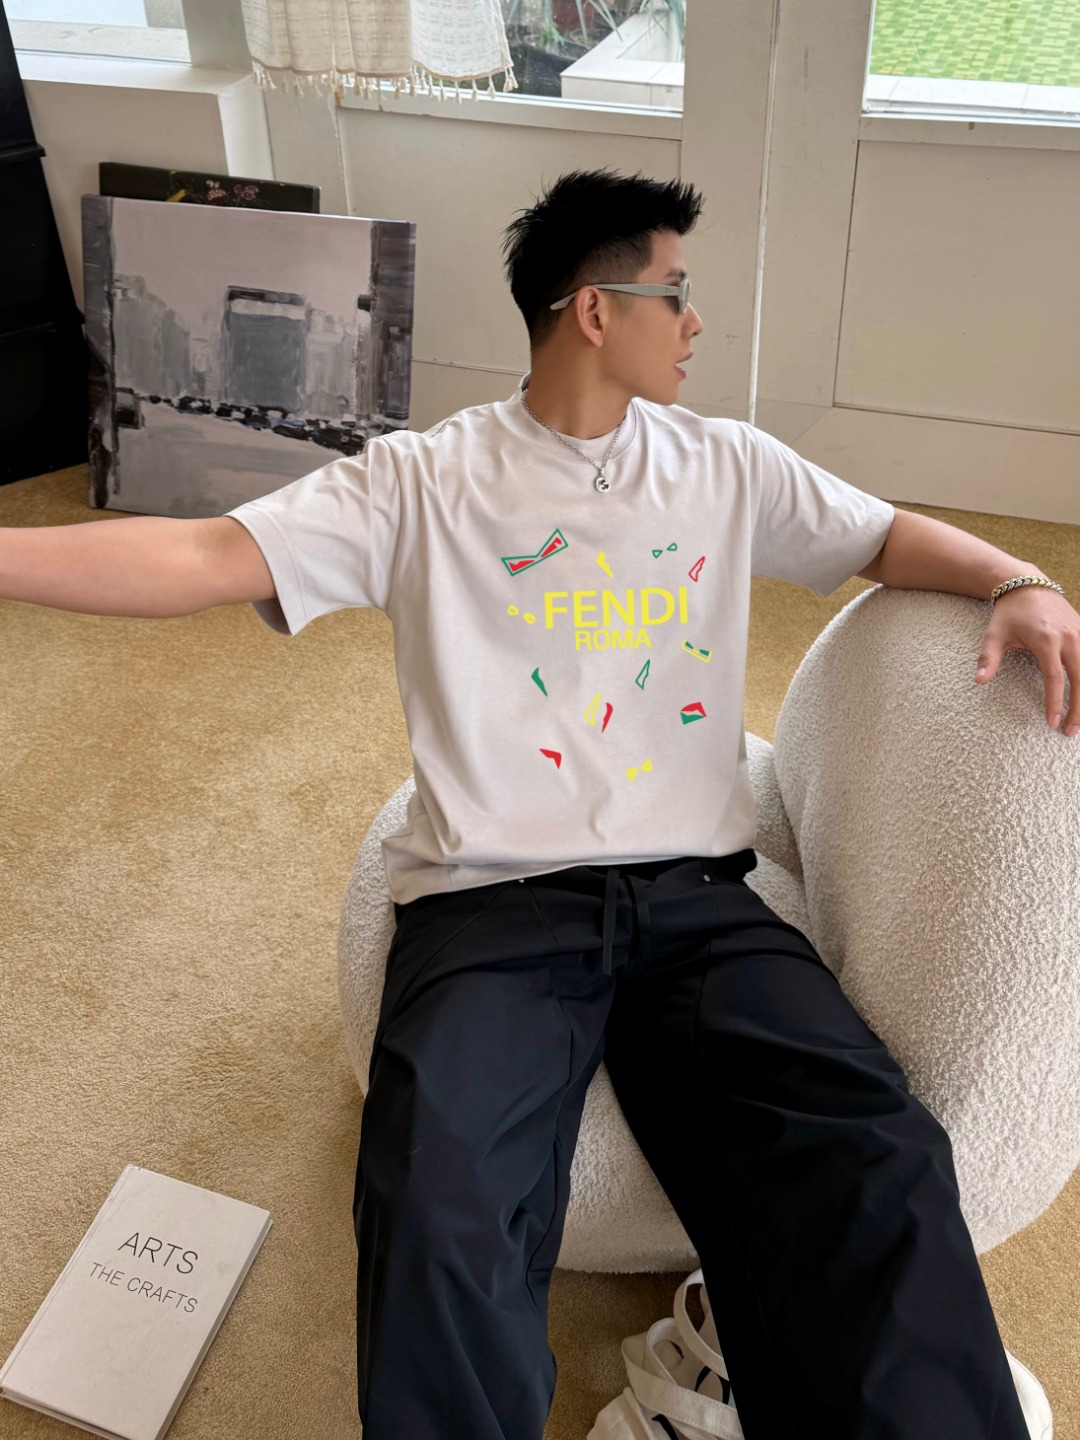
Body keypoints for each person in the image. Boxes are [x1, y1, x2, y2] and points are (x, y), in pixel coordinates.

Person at [4, 167, 1064, 1439]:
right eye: (675, 292)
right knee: (436, 1205)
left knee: (874, 1154)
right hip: (488, 906)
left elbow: (885, 537)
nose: (697, 321)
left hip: (696, 901)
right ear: (595, 312)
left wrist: (1022, 581)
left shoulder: (727, 465)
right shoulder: (420, 481)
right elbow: (200, 553)